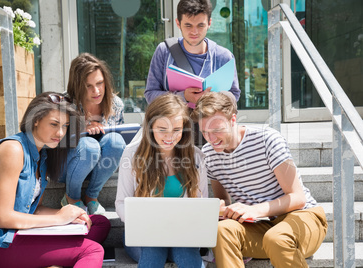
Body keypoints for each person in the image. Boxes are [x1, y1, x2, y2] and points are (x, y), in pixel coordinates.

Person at [0, 92, 111, 268]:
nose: (61, 132)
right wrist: (59, 218)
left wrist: (70, 214)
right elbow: (4, 218)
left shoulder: (43, 155)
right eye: (54, 124)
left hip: (17, 232)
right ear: (36, 120)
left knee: (98, 223)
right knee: (92, 250)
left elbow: (34, 210)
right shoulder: (14, 150)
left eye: (65, 125)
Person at [191, 91, 328, 268]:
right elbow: (224, 200)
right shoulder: (209, 154)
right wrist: (219, 208)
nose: (211, 139)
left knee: (277, 238)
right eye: (205, 132)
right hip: (259, 226)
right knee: (222, 231)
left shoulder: (267, 139)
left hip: (302, 218)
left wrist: (255, 210)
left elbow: (298, 198)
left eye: (217, 130)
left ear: (233, 120)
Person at [115, 94, 208, 268]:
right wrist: (143, 223)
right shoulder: (132, 155)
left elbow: (201, 206)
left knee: (186, 251)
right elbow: (121, 203)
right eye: (162, 129)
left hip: (181, 236)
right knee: (153, 248)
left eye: (176, 130)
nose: (169, 137)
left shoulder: (196, 158)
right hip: (142, 236)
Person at [59, 53, 126, 215]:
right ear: (77, 86)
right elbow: (53, 144)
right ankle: (71, 198)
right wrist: (81, 128)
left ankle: (91, 197)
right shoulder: (64, 104)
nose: (96, 91)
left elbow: (119, 143)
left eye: (100, 83)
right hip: (68, 166)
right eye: (88, 86)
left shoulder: (115, 104)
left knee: (117, 141)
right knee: (89, 146)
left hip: (101, 168)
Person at [144, 0, 241, 106]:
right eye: (188, 26)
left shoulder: (224, 57)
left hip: (210, 121)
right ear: (178, 23)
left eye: (200, 26)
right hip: (175, 122)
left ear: (209, 23)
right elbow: (150, 95)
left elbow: (234, 95)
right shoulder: (164, 51)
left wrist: (213, 99)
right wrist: (183, 96)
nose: (194, 32)